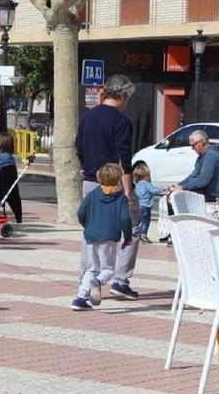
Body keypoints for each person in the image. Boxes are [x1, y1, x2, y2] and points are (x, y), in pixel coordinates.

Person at [74, 74, 140, 300]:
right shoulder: (121, 121)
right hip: (113, 185)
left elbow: (79, 147)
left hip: (91, 180)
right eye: (128, 98)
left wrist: (87, 168)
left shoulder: (87, 117)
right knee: (132, 228)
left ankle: (85, 276)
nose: (128, 102)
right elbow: (124, 157)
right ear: (122, 95)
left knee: (90, 231)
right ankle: (120, 280)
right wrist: (129, 192)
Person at [71, 163, 133, 311]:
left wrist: (87, 225)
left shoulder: (93, 194)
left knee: (91, 269)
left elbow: (81, 212)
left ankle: (80, 299)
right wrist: (128, 237)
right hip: (109, 237)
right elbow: (125, 219)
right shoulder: (120, 199)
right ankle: (98, 282)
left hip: (90, 236)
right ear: (118, 181)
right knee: (108, 269)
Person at [171, 130, 219, 202]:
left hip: (210, 194)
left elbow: (202, 181)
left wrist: (183, 187)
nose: (192, 148)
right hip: (202, 191)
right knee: (172, 194)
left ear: (202, 142)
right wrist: (178, 185)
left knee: (174, 198)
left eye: (193, 145)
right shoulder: (202, 156)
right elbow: (193, 175)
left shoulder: (211, 155)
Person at [133, 163, 166, 244]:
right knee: (146, 221)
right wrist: (164, 188)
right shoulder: (147, 184)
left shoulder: (137, 185)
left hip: (138, 205)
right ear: (146, 175)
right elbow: (154, 190)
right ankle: (144, 235)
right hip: (146, 206)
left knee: (139, 221)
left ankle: (137, 234)